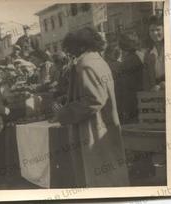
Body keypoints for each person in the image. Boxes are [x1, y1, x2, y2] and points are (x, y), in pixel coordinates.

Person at [57, 27, 129, 187]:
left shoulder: (85, 65)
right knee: (110, 172)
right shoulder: (98, 61)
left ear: (80, 46)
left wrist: (64, 112)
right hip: (105, 124)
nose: (70, 53)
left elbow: (94, 99)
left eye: (70, 49)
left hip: (92, 129)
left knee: (97, 176)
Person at [118, 32, 144, 124]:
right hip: (135, 90)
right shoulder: (138, 54)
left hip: (132, 91)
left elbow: (122, 70)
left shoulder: (132, 57)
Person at [143, 15, 165, 90]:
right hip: (156, 94)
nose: (155, 33)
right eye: (152, 30)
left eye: (158, 29)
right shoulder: (148, 54)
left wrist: (162, 85)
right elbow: (147, 78)